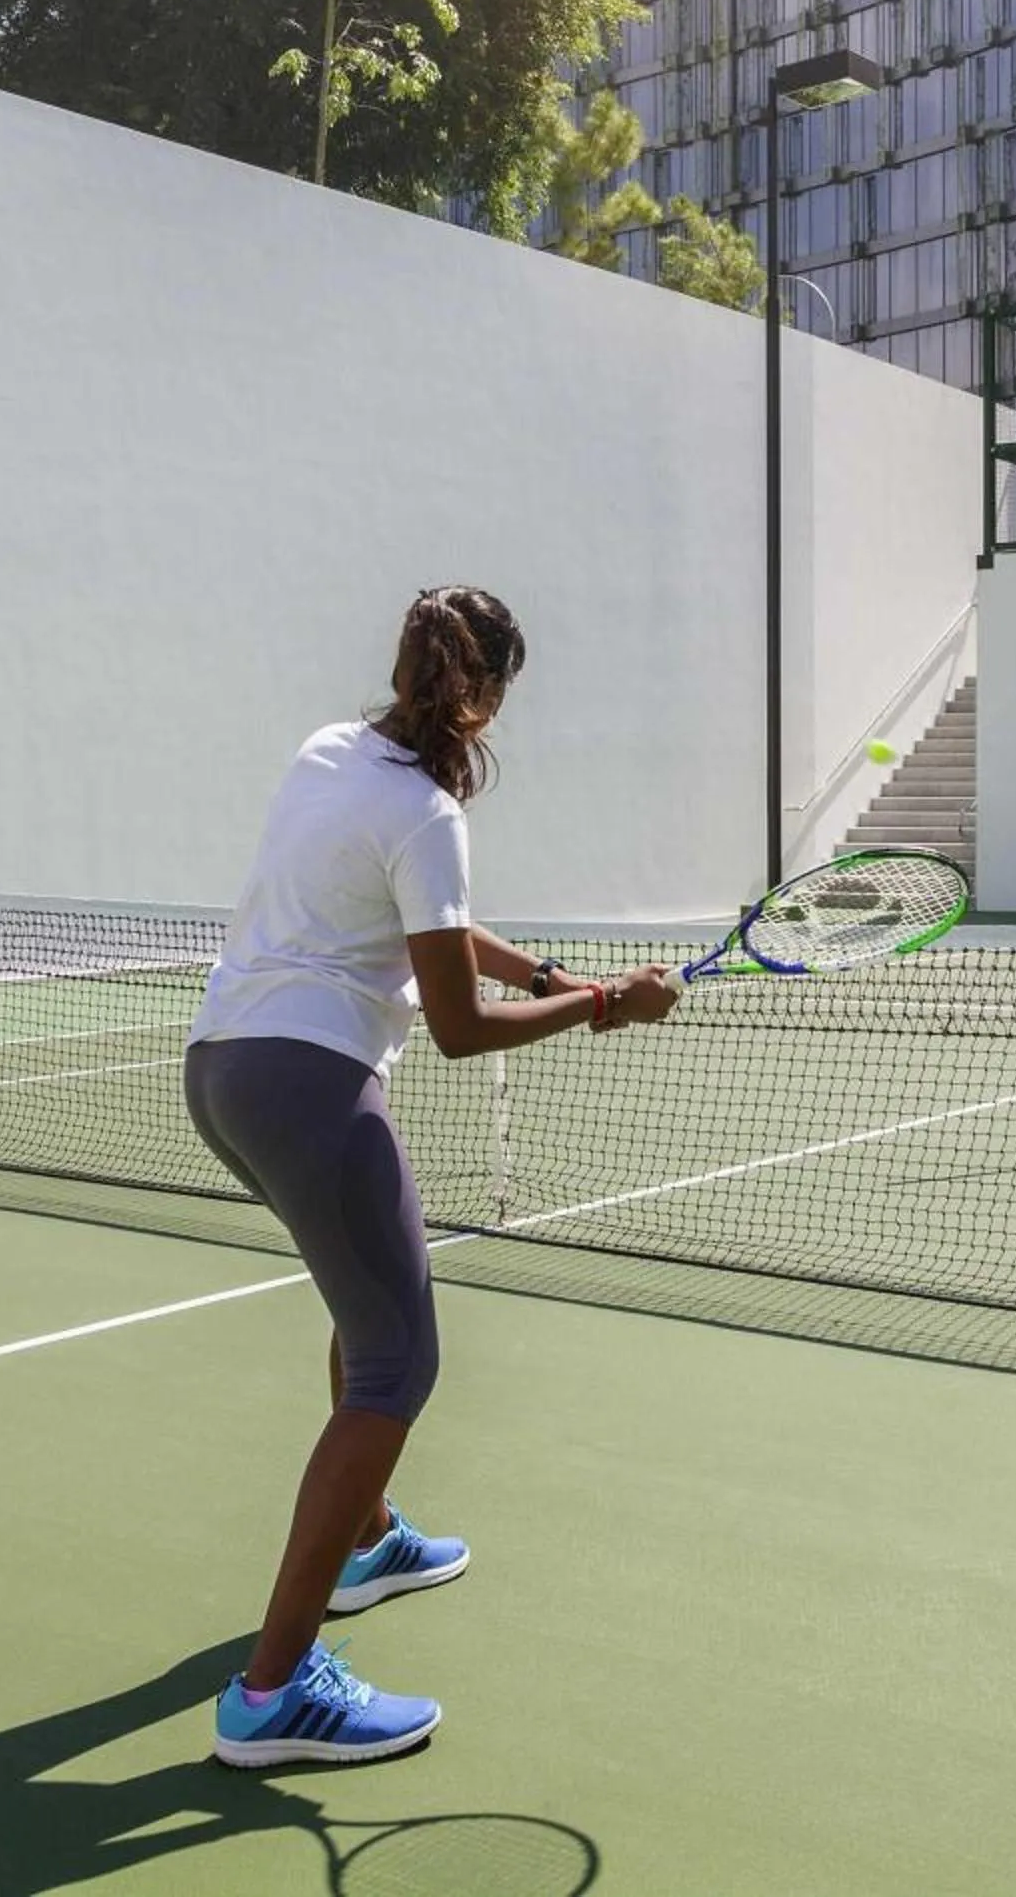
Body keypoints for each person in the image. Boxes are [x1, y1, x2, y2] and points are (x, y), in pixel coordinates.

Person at [183, 585, 678, 1767]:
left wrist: (556, 970)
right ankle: (273, 1692)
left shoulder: (332, 750)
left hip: (218, 1069)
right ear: (488, 691)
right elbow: (458, 1022)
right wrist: (602, 1006)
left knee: (364, 1316)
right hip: (310, 1084)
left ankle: (368, 1539)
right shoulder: (427, 815)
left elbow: (442, 932)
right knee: (400, 1361)